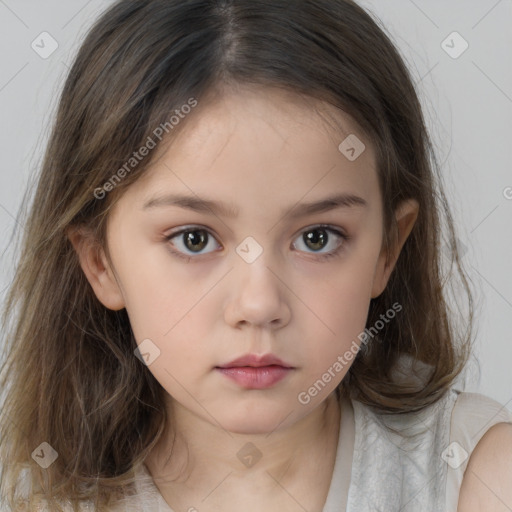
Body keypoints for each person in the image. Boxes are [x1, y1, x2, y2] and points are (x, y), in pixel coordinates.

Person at [0, 0, 511, 511]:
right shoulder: (29, 499)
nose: (259, 304)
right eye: (194, 239)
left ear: (387, 249)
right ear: (100, 263)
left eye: (317, 238)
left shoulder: (478, 478)